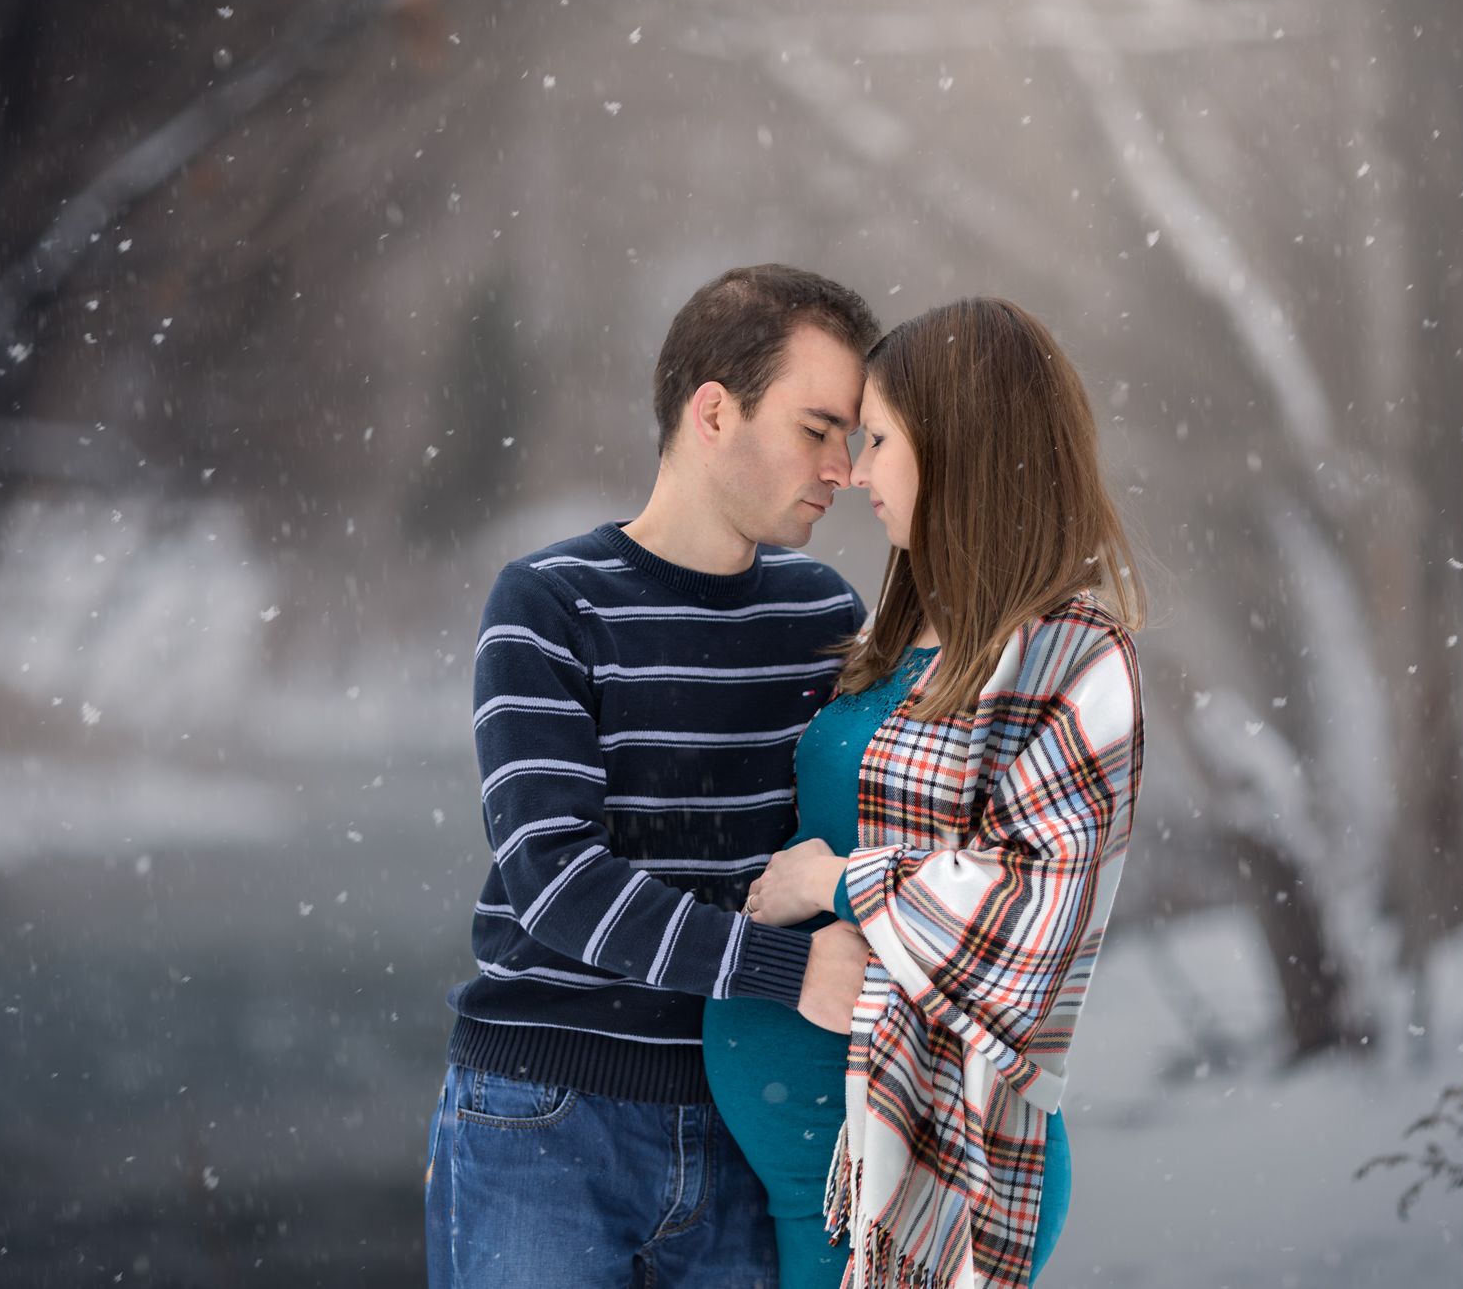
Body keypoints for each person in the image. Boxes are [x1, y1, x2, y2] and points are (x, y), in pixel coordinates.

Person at [426, 264, 886, 1289]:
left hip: (756, 1119)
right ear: (713, 411)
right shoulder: (549, 603)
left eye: (854, 437)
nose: (843, 467)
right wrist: (785, 971)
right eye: (817, 429)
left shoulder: (823, 620)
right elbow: (552, 879)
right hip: (545, 1115)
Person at [708, 298, 1147, 1289]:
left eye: (878, 440)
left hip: (934, 1172)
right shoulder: (890, 639)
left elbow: (1028, 919)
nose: (854, 471)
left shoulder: (1073, 658)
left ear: (959, 448)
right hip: (790, 1173)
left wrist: (835, 881)